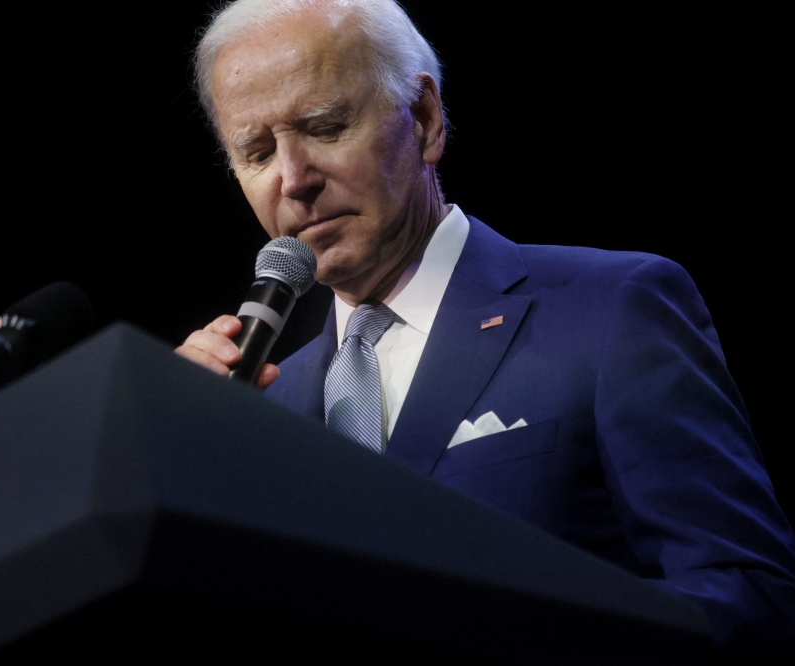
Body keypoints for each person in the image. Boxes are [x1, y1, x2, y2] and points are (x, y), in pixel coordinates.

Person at [175, 0, 795, 659]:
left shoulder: (609, 309)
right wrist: (178, 460)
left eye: (325, 127)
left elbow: (746, 600)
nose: (293, 180)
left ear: (425, 120)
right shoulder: (254, 406)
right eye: (257, 151)